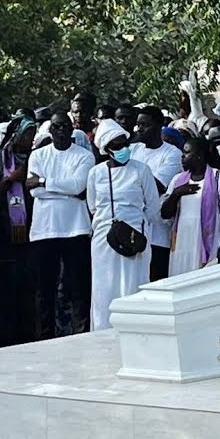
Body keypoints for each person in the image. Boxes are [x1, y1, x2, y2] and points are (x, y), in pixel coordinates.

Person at [27, 113, 96, 339]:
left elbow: (78, 186)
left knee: (78, 287)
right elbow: (33, 190)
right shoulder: (38, 155)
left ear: (71, 128)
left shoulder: (85, 156)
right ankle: (44, 337)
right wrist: (64, 191)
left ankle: (80, 333)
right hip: (44, 229)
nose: (61, 131)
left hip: (75, 228)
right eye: (56, 126)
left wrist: (45, 181)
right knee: (44, 289)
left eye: (65, 126)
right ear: (50, 130)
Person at [86, 120, 158, 330]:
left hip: (135, 234)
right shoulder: (96, 173)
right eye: (116, 146)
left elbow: (152, 207)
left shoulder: (141, 170)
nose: (122, 149)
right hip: (103, 237)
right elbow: (93, 206)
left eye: (124, 143)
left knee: (133, 283)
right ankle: (103, 332)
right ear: (106, 149)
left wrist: (135, 224)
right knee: (104, 286)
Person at [0, 115, 38, 346]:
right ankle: (4, 332)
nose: (31, 138)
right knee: (6, 282)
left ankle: (28, 330)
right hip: (4, 227)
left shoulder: (36, 158)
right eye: (27, 133)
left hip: (32, 226)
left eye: (33, 133)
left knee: (28, 282)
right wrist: (11, 180)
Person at [161, 138, 220, 276]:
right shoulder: (177, 180)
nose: (182, 157)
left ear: (199, 155)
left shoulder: (218, 178)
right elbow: (165, 214)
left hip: (210, 239)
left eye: (186, 153)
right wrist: (176, 194)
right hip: (182, 243)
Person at [130, 106, 183, 282]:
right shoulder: (134, 150)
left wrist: (130, 183)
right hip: (134, 226)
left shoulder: (172, 153)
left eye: (145, 125)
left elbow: (156, 186)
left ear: (159, 125)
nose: (140, 129)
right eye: (138, 125)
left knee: (156, 280)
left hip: (158, 230)